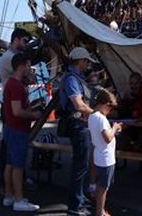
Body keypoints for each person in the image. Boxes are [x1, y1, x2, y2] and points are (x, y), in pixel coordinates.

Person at [2, 53, 42, 212]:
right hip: (18, 129)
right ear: (21, 66)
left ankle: (9, 195)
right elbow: (17, 111)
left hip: (11, 128)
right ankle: (18, 199)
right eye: (28, 65)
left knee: (10, 163)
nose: (30, 69)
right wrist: (34, 115)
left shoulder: (12, 84)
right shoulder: (16, 86)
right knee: (18, 165)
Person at [60, 47, 96, 216]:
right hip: (77, 125)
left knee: (80, 165)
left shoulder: (75, 78)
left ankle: (79, 198)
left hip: (81, 125)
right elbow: (78, 105)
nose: (88, 64)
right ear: (81, 60)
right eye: (87, 61)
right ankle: (76, 204)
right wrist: (97, 114)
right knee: (79, 166)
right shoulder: (72, 79)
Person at [0, 28, 31, 191]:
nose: (26, 44)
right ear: (16, 39)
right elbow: (29, 77)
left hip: (9, 103)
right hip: (12, 106)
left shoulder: (6, 59)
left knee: (10, 150)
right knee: (12, 153)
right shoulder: (10, 59)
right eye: (25, 40)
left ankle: (10, 188)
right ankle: (11, 189)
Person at [88, 89, 122, 216]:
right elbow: (107, 138)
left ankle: (100, 210)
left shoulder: (92, 116)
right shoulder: (101, 118)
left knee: (101, 185)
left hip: (99, 155)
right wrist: (115, 128)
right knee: (103, 187)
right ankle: (100, 212)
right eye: (110, 108)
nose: (110, 112)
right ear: (106, 104)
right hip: (106, 158)